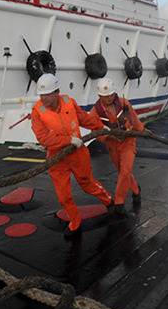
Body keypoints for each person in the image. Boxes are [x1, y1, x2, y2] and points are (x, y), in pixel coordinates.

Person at [30, 73, 113, 238]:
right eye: (41, 95)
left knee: (87, 184)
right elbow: (43, 137)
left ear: (57, 92)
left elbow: (83, 118)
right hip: (57, 159)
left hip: (78, 154)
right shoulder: (37, 111)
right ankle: (75, 222)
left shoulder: (69, 102)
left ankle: (109, 201)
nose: (44, 99)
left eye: (47, 94)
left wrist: (101, 128)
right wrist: (68, 140)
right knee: (63, 196)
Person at [90, 77, 144, 214]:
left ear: (114, 93)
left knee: (125, 171)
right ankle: (136, 191)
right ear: (99, 95)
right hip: (112, 144)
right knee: (123, 172)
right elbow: (95, 132)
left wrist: (141, 130)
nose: (108, 98)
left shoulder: (124, 103)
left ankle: (119, 202)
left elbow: (134, 119)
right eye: (105, 96)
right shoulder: (95, 112)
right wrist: (108, 136)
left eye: (110, 95)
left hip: (128, 141)